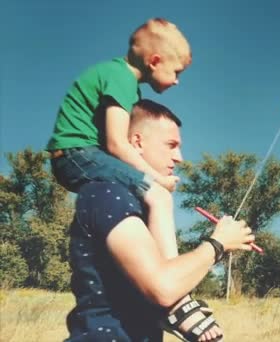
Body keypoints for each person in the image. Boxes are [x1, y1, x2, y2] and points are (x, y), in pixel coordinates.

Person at [65, 99, 254, 342]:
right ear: (137, 142)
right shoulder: (107, 194)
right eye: (171, 145)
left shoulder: (143, 204)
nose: (180, 157)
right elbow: (162, 288)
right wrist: (217, 244)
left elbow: (160, 283)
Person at [47, 17, 190, 261]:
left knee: (137, 194)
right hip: (76, 153)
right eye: (176, 72)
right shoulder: (122, 78)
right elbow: (117, 143)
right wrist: (156, 178)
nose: (177, 80)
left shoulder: (122, 80)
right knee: (158, 195)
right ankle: (173, 283)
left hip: (81, 154)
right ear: (155, 61)